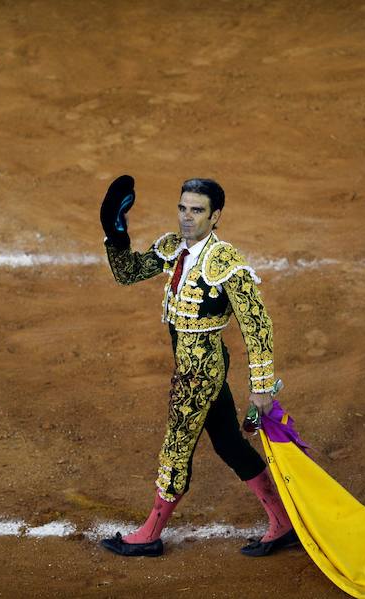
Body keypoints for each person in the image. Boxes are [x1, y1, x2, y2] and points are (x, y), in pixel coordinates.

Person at [98, 175, 297, 557]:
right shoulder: (172, 248)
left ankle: (150, 534)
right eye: (183, 208)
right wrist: (116, 233)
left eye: (197, 210)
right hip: (192, 365)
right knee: (227, 442)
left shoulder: (226, 263)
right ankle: (282, 522)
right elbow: (127, 274)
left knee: (177, 447)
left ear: (215, 215)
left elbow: (257, 325)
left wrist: (261, 387)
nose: (187, 218)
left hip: (200, 371)